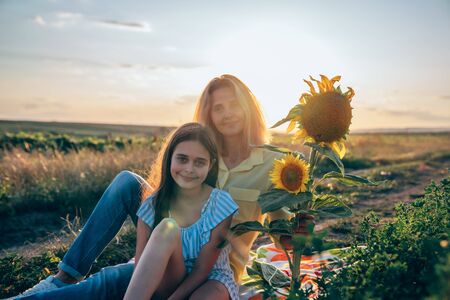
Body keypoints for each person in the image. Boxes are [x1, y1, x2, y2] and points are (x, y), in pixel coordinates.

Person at [18, 74, 289, 299]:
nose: (228, 113)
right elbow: (166, 200)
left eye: (234, 104)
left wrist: (299, 229)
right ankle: (63, 278)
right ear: (209, 114)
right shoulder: (198, 151)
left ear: (249, 107)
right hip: (171, 243)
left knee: (110, 281)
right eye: (219, 108)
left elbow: (282, 233)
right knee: (126, 184)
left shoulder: (273, 163)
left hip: (214, 267)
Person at [124, 122, 238, 300]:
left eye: (199, 162)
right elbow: (141, 266)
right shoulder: (151, 205)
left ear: (210, 165)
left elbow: (202, 270)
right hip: (169, 278)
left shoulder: (221, 204)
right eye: (182, 159)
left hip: (209, 279)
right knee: (167, 228)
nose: (189, 169)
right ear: (170, 158)